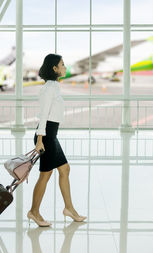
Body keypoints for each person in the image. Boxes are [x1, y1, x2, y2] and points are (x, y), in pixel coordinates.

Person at [28, 53, 87, 227]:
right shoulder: (50, 88)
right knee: (45, 175)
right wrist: (40, 140)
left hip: (51, 136)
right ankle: (34, 212)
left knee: (64, 170)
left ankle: (69, 209)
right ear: (54, 68)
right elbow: (44, 116)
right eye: (62, 64)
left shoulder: (53, 86)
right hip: (46, 137)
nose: (65, 67)